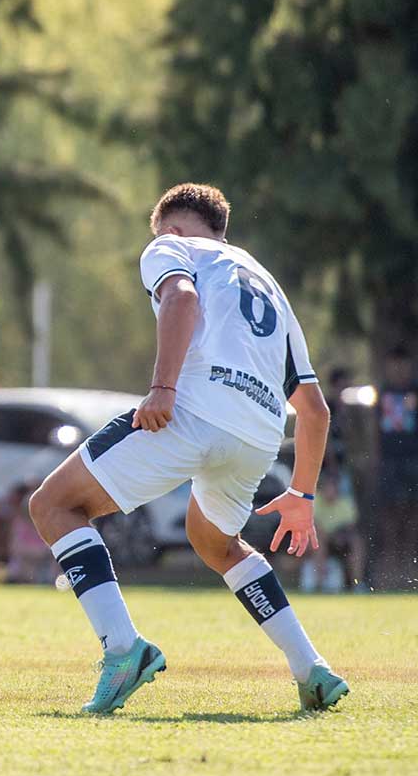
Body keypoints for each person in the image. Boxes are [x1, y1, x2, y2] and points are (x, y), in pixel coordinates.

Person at [27, 183, 347, 714]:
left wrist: (163, 388)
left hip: (194, 410)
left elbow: (180, 297)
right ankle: (310, 666)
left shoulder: (170, 247)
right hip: (259, 436)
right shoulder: (267, 284)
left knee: (53, 505)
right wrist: (302, 495)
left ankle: (124, 650)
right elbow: (314, 411)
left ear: (171, 228)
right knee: (216, 543)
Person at [375, 347, 418, 587]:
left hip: (413, 457)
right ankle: (390, 557)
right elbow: (374, 427)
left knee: (414, 507)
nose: (399, 370)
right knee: (389, 508)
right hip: (388, 458)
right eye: (395, 365)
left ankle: (410, 556)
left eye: (403, 365)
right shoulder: (381, 392)